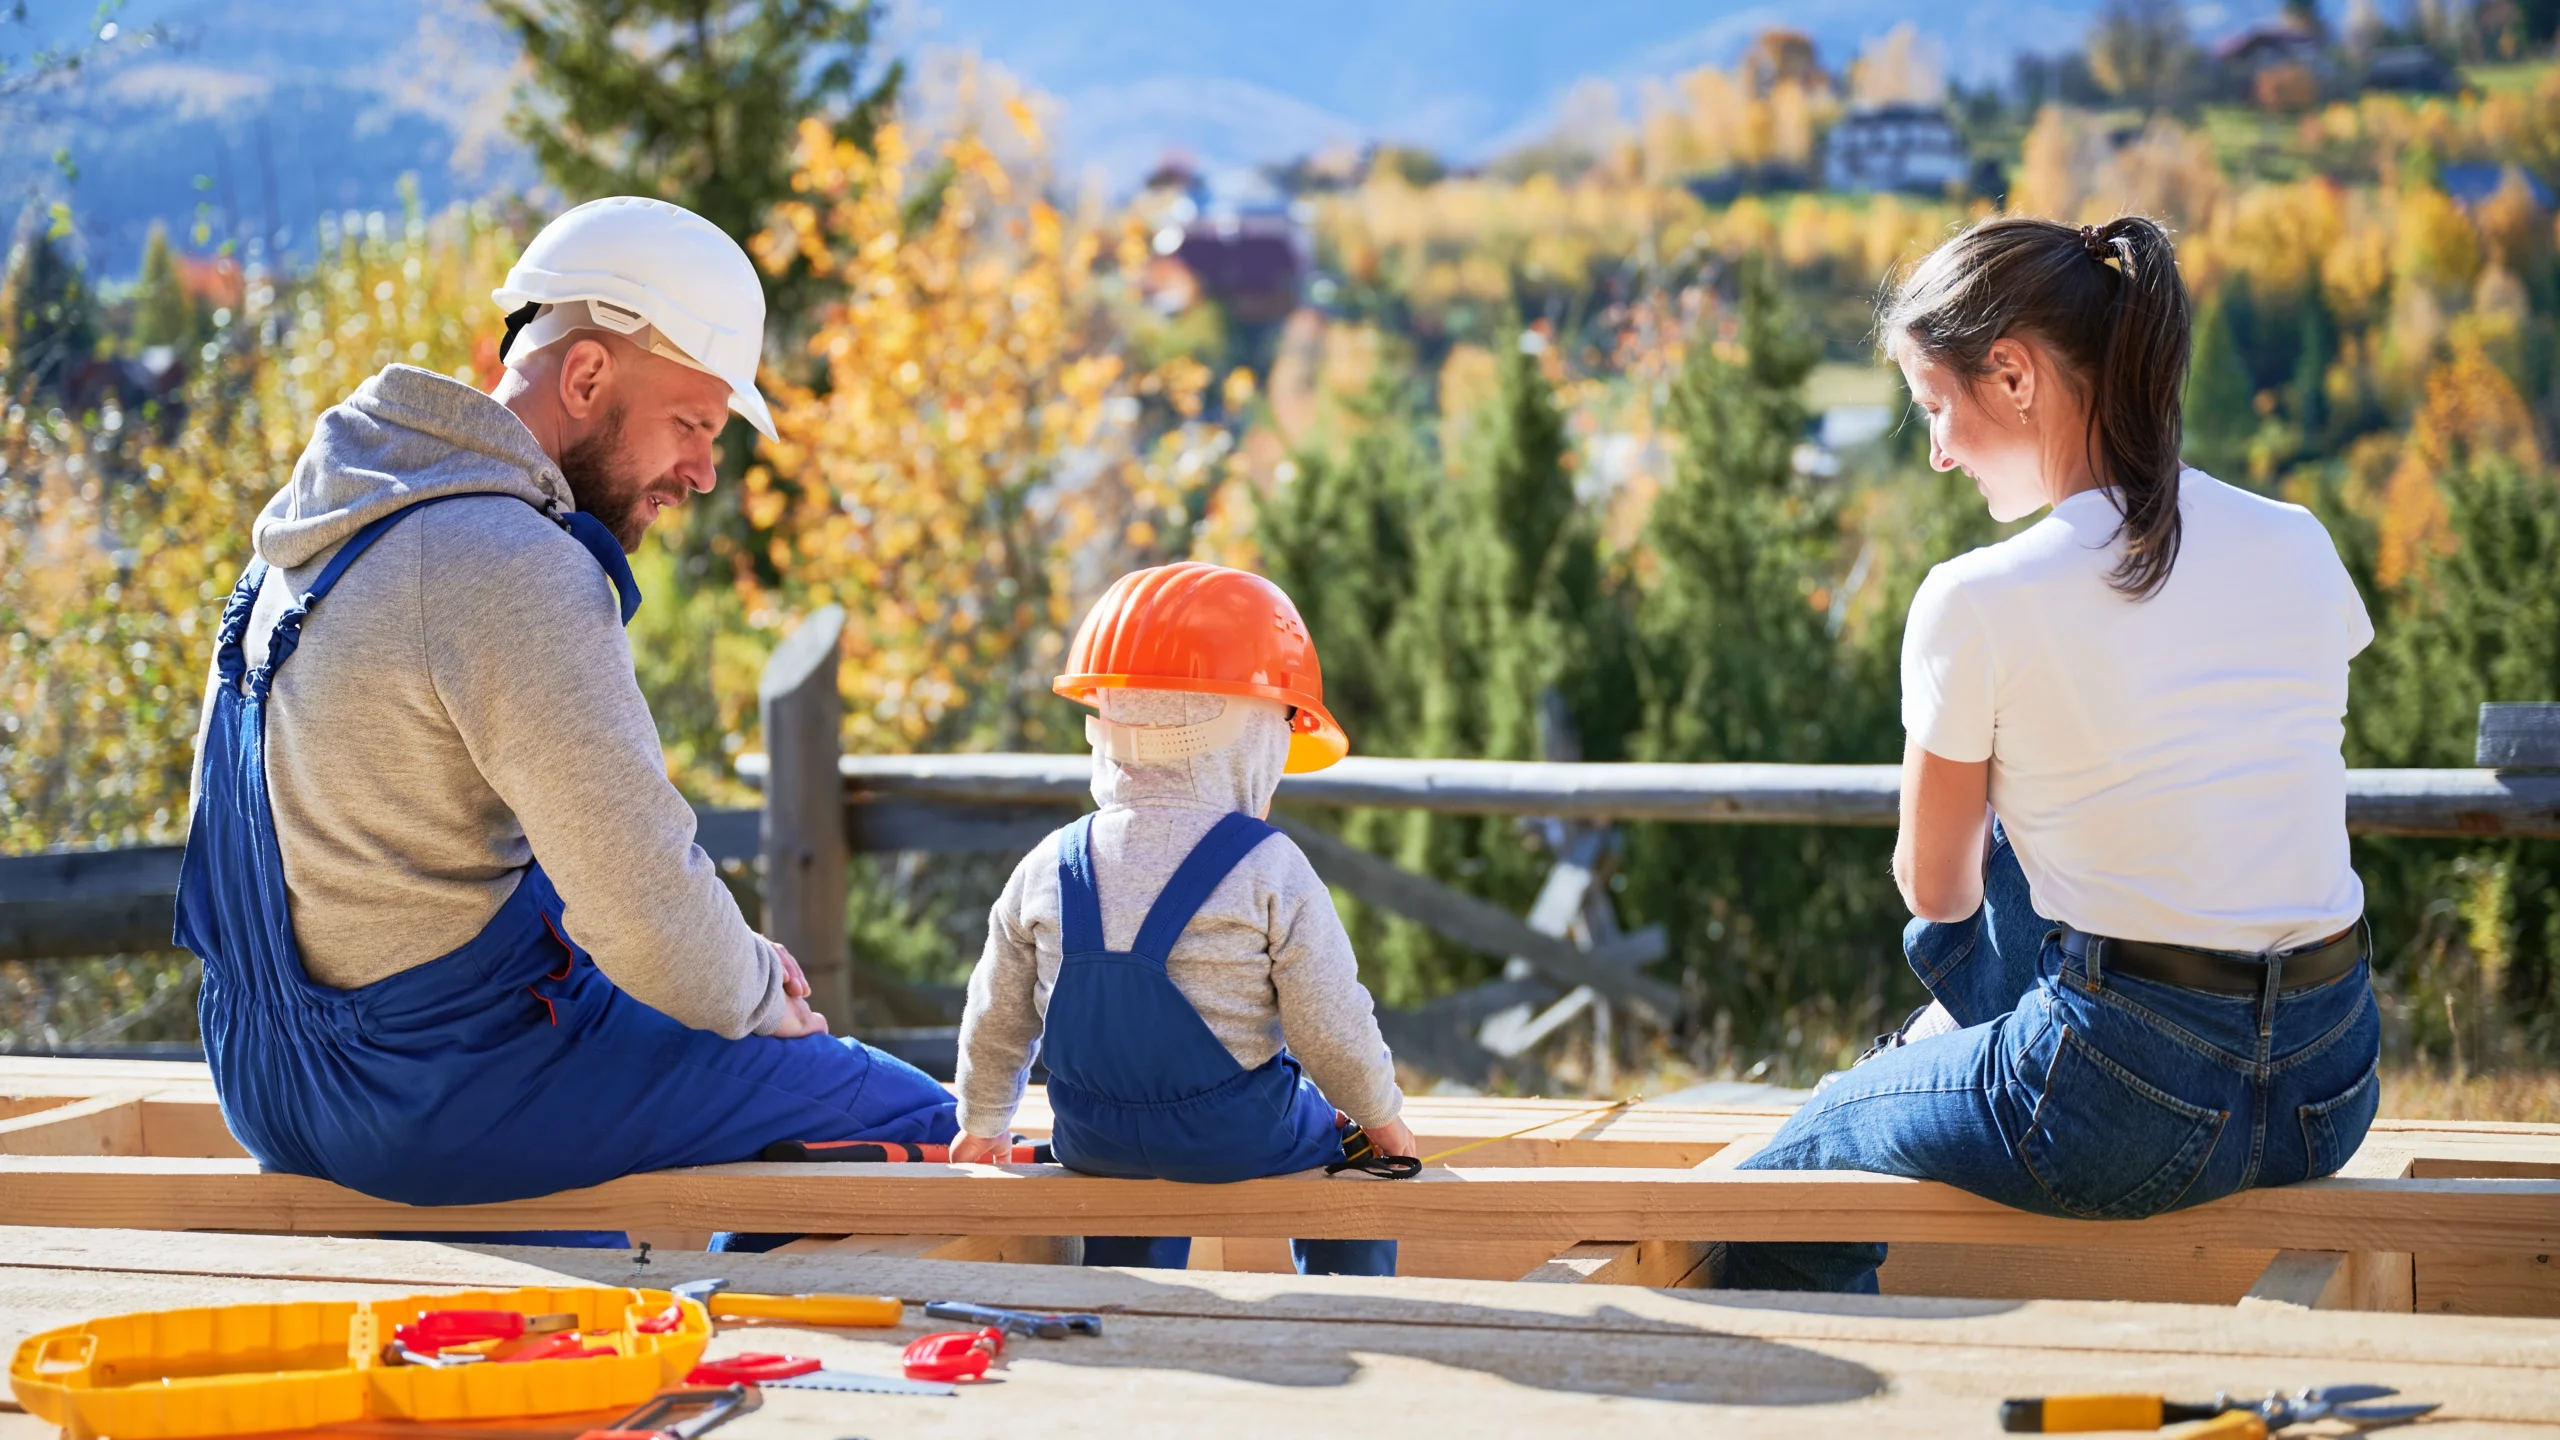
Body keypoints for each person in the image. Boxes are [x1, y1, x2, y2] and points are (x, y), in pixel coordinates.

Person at [174, 196, 956, 1222]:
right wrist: (762, 998)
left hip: (259, 1074)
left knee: (628, 1182)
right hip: (430, 1093)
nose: (703, 472)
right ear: (586, 377)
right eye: (691, 424)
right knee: (911, 1120)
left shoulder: (317, 531)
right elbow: (644, 909)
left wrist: (729, 965)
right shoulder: (509, 563)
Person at [1713, 215, 2381, 1294]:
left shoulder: (1977, 598)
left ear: (2014, 375)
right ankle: (1942, 1047)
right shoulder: (2296, 539)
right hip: (2331, 1085)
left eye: (1937, 406)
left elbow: (1936, 893)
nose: (1938, 451)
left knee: (1791, 1174)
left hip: (2123, 1105)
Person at [949, 562, 1418, 1275]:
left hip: (1093, 1138)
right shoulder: (1269, 867)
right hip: (1239, 1135)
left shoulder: (1047, 863)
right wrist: (1381, 1119)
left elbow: (996, 1015)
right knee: (1347, 1150)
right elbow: (1330, 1023)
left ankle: (1128, 1292)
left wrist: (983, 1123)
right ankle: (1348, 1304)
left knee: (1130, 1187)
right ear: (1253, 733)